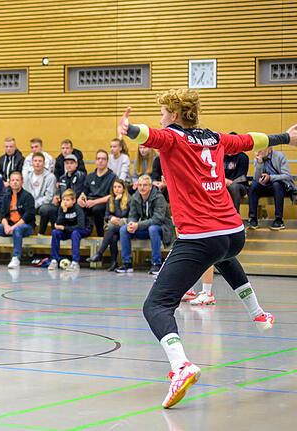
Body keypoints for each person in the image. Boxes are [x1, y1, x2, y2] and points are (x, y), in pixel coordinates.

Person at [118, 87, 294, 408]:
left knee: (156, 306)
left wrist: (129, 130)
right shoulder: (214, 137)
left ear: (172, 115)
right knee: (224, 256)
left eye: (163, 112)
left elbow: (150, 135)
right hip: (233, 231)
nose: (161, 117)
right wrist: (285, 136)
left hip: (201, 235)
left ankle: (181, 366)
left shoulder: (173, 137)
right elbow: (249, 140)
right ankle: (258, 313)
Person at [115, 175, 170, 275]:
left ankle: (156, 264)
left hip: (162, 229)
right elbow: (132, 215)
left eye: (145, 185)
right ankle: (127, 263)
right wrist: (131, 224)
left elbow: (157, 219)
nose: (142, 187)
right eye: (140, 185)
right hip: (146, 228)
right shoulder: (136, 197)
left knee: (153, 229)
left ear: (150, 186)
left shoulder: (159, 197)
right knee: (124, 229)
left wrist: (138, 225)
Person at [0, 171, 35, 269]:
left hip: (25, 226)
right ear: (9, 182)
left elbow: (27, 216)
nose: (15, 182)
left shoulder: (28, 196)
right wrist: (6, 226)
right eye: (12, 180)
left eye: (17, 180)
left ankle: (16, 258)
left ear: (22, 182)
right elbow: (3, 215)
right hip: (10, 225)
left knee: (17, 230)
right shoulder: (7, 196)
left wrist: (13, 227)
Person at [87, 179, 130, 271]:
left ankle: (99, 253)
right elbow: (106, 216)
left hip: (126, 225)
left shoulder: (128, 199)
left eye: (119, 187)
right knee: (113, 237)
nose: (116, 189)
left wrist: (116, 202)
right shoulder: (110, 199)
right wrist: (111, 218)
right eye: (115, 187)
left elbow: (122, 215)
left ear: (123, 189)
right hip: (115, 227)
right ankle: (114, 262)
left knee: (110, 227)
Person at [248, 146, 293, 230]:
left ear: (269, 149)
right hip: (264, 186)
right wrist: (260, 163)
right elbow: (256, 178)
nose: (259, 151)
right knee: (253, 186)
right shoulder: (258, 158)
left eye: (262, 148)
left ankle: (279, 220)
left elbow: (287, 176)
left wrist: (270, 177)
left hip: (280, 187)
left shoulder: (279, 156)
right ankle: (252, 219)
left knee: (276, 184)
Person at [48, 188, 89, 271]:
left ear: (73, 201)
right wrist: (63, 211)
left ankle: (75, 262)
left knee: (75, 233)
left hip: (83, 230)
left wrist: (64, 228)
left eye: (67, 200)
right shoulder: (62, 208)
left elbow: (81, 226)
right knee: (55, 232)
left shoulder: (78, 208)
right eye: (63, 200)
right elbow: (58, 224)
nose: (65, 202)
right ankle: (54, 260)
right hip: (69, 230)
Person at [78, 150, 117, 237]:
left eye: (103, 159)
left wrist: (94, 202)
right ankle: (82, 232)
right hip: (89, 202)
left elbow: (112, 195)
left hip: (103, 203)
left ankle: (101, 235)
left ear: (107, 161)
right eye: (98, 158)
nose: (100, 161)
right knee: (77, 206)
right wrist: (81, 198)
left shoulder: (112, 176)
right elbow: (84, 191)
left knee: (97, 209)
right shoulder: (90, 176)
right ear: (95, 161)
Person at [23, 152, 56, 235]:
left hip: (42, 205)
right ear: (32, 163)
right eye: (35, 161)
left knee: (45, 209)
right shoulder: (27, 176)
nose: (37, 163)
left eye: (40, 161)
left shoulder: (50, 177)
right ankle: (25, 233)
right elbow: (25, 193)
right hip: (30, 204)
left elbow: (49, 196)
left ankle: (41, 233)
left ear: (44, 163)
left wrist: (35, 204)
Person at [223, 149, 249, 215]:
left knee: (233, 187)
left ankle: (235, 215)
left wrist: (228, 182)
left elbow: (242, 176)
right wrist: (224, 180)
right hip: (223, 183)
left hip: (240, 185)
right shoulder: (221, 156)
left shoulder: (243, 157)